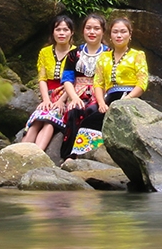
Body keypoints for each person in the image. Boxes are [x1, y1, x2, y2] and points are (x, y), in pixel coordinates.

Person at [25, 14, 79, 152]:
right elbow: (42, 78)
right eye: (58, 29)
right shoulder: (45, 52)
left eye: (65, 30)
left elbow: (75, 80)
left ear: (72, 32)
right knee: (37, 121)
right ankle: (19, 154)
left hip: (66, 95)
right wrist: (45, 100)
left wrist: (61, 101)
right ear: (52, 32)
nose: (62, 33)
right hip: (49, 94)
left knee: (49, 122)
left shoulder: (77, 53)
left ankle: (37, 154)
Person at [61, 13, 108, 158]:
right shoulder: (74, 54)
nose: (92, 32)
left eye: (96, 28)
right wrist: (74, 97)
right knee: (76, 109)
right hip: (77, 91)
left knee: (93, 111)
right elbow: (67, 79)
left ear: (103, 31)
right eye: (88, 28)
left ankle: (88, 153)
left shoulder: (109, 54)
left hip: (101, 92)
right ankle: (69, 154)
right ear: (83, 30)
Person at [93, 17, 148, 116]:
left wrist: (128, 98)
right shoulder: (104, 57)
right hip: (109, 98)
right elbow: (98, 83)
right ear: (110, 35)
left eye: (123, 32)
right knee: (89, 122)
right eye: (115, 32)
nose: (119, 35)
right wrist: (101, 103)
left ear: (130, 35)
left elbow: (142, 82)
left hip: (130, 98)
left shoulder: (137, 55)